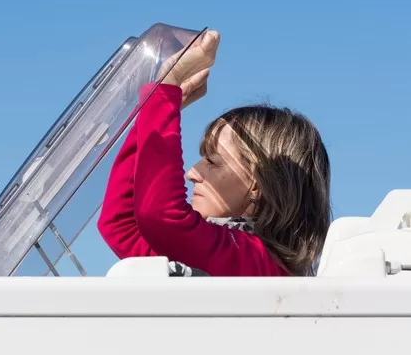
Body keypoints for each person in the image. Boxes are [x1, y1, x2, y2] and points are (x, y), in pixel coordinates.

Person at [97, 30, 331, 276]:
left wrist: (168, 87)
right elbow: (120, 225)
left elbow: (162, 216)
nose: (192, 172)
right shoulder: (227, 254)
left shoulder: (257, 261)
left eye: (212, 161)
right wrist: (156, 110)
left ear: (258, 185)